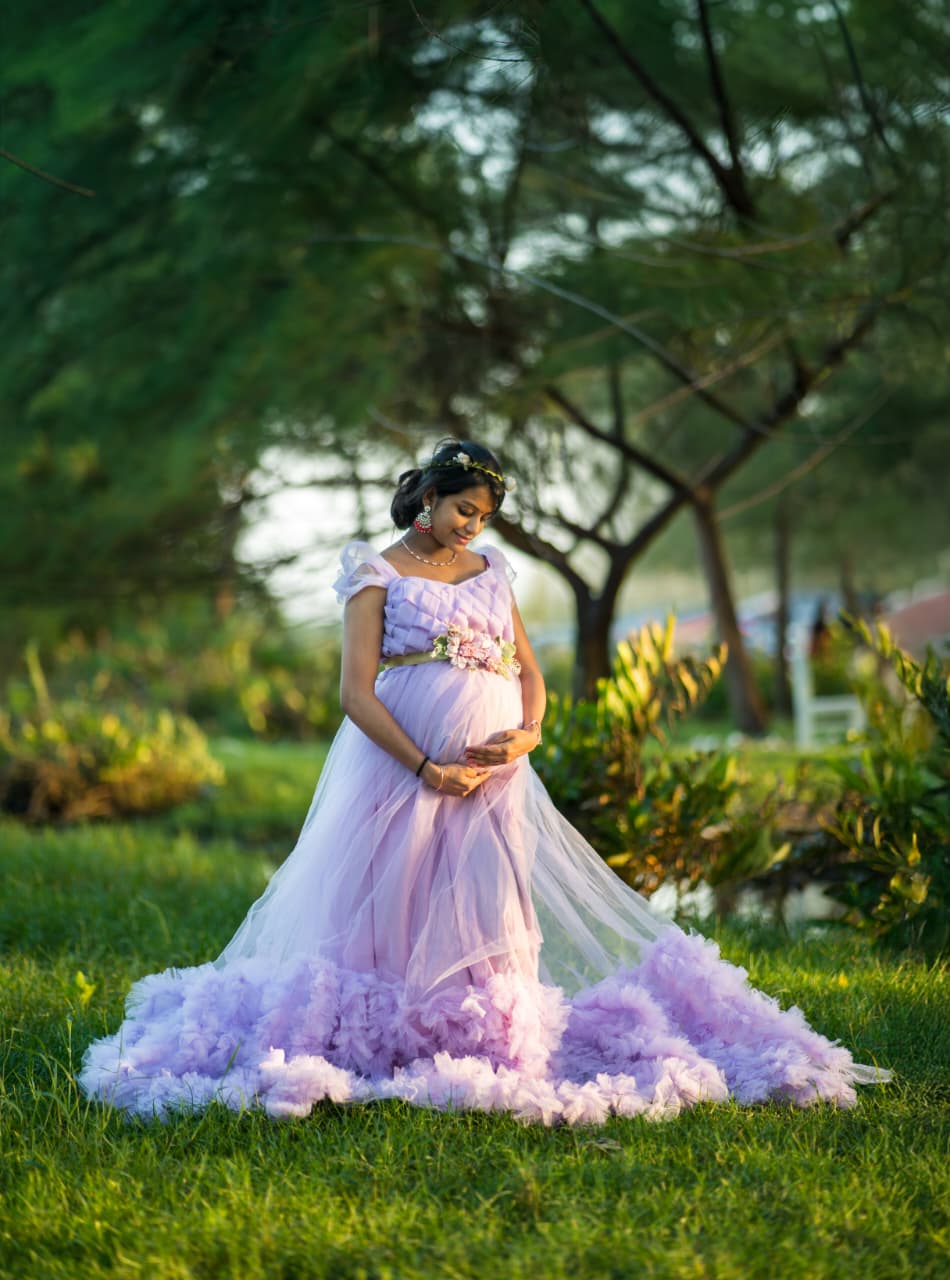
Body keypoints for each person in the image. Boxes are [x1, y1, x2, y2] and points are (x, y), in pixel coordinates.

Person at [79, 439, 891, 1125]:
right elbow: (355, 693)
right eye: (464, 509)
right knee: (393, 890)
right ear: (428, 498)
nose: (474, 526)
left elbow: (530, 670)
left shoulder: (492, 570)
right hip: (400, 765)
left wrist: (527, 733)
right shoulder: (374, 570)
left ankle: (486, 1026)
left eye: (484, 516)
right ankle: (389, 1027)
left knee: (485, 894)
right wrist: (429, 765)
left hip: (497, 773)